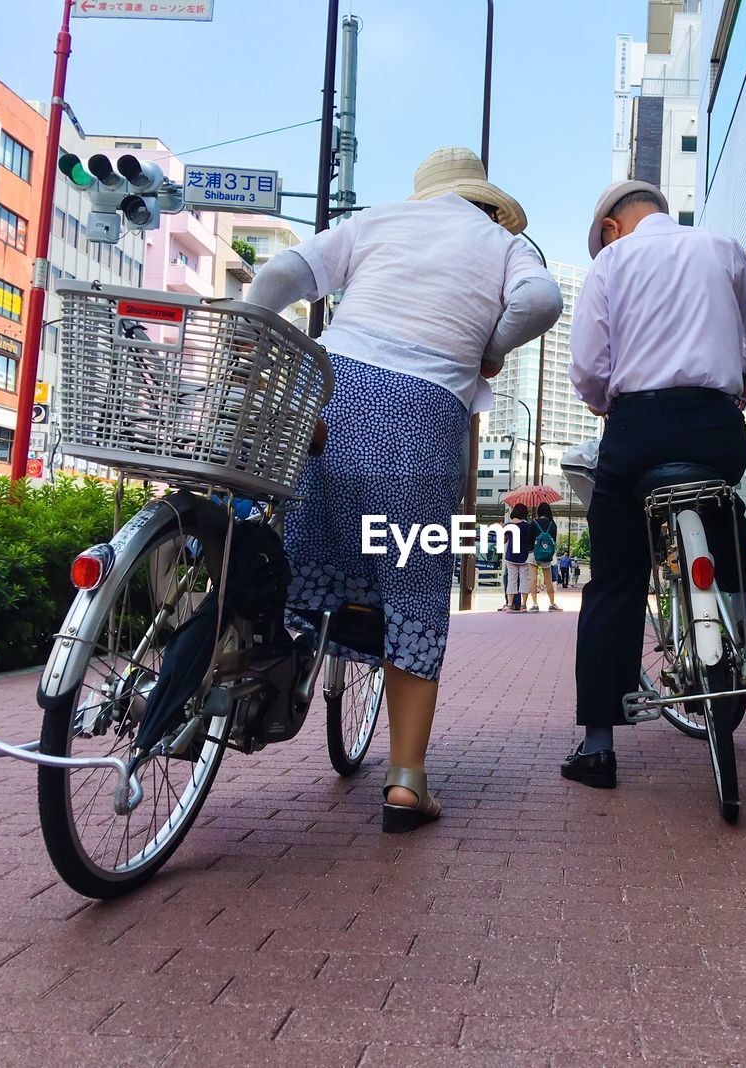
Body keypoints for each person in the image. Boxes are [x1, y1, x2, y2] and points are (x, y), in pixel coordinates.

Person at [247, 147, 562, 831]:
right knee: (414, 583)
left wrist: (255, 333)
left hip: (326, 389)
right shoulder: (506, 245)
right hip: (419, 410)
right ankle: (406, 784)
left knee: (296, 540)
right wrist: (492, 348)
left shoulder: (379, 220)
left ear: (427, 194)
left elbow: (279, 273)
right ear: (486, 201)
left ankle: (242, 672)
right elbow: (543, 301)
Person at [561, 180, 746, 790]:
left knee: (614, 580)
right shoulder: (722, 246)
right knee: (722, 499)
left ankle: (598, 746)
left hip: (638, 428)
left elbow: (587, 365)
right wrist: (739, 375)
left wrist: (613, 404)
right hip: (715, 425)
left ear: (611, 227)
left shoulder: (611, 262)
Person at [526, 502, 562, 612]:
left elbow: (528, 540)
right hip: (546, 554)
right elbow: (554, 542)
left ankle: (535, 604)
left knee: (533, 579)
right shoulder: (553, 525)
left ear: (539, 511)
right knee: (548, 580)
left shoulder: (534, 523)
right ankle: (552, 604)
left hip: (533, 553)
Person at [503, 503, 534, 611]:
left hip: (511, 556)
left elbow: (504, 540)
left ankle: (510, 604)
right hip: (524, 556)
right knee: (524, 580)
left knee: (511, 580)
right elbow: (530, 541)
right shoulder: (527, 526)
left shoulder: (508, 526)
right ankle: (523, 605)